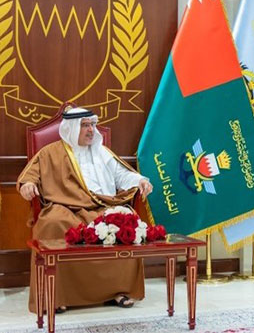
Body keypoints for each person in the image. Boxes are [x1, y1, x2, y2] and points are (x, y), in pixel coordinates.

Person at [18, 107, 153, 313]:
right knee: (52, 223)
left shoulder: (102, 152)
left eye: (92, 125)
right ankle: (57, 295)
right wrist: (28, 185)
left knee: (125, 221)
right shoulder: (50, 153)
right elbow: (30, 176)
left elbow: (123, 175)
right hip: (65, 207)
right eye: (85, 125)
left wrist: (141, 181)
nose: (91, 130)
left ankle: (119, 290)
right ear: (71, 128)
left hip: (102, 205)